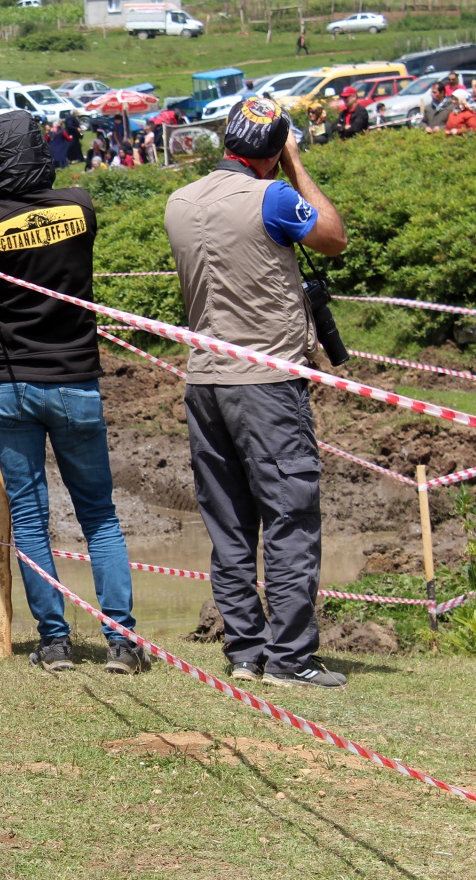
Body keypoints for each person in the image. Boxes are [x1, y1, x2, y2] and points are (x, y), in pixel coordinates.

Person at [0, 111, 145, 675]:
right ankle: (121, 641)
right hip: (76, 382)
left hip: (13, 385)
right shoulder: (81, 207)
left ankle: (54, 642)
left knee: (29, 517)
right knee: (99, 514)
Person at [164, 97, 349, 689]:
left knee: (229, 522)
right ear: (273, 150)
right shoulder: (272, 197)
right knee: (290, 515)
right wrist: (296, 166)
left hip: (204, 379)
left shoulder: (180, 201)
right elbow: (333, 237)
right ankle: (291, 657)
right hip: (267, 382)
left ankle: (245, 649)